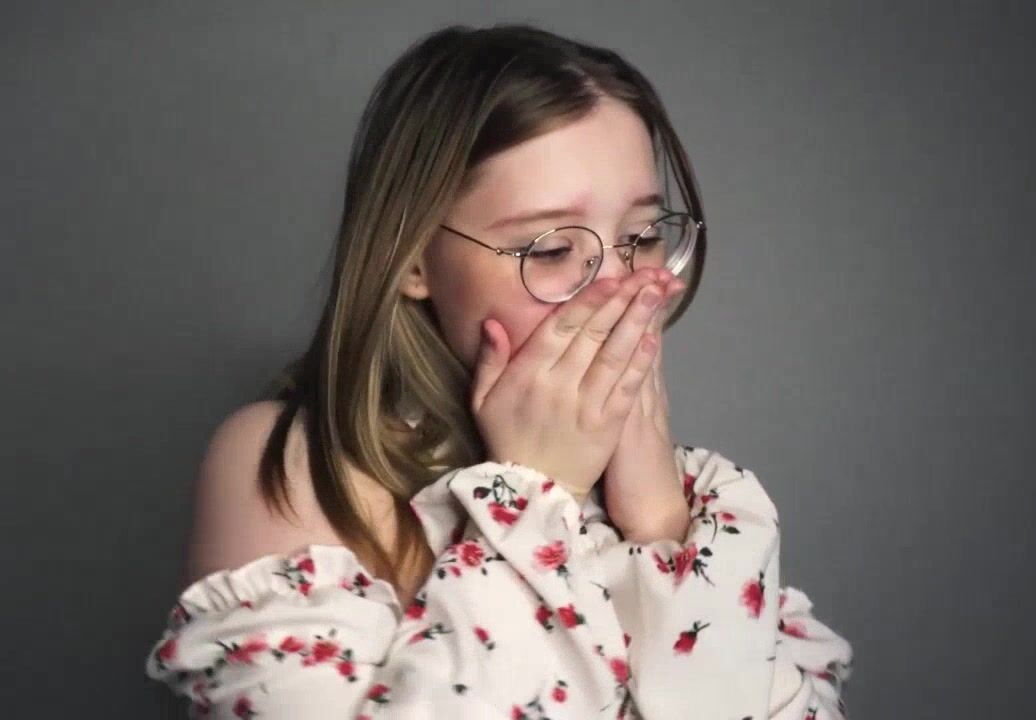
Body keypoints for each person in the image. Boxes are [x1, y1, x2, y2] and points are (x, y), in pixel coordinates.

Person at [144, 23, 853, 719]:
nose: (618, 289)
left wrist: (662, 528)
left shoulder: (695, 505)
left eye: (640, 238)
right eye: (549, 249)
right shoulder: (300, 467)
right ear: (413, 258)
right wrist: (535, 497)